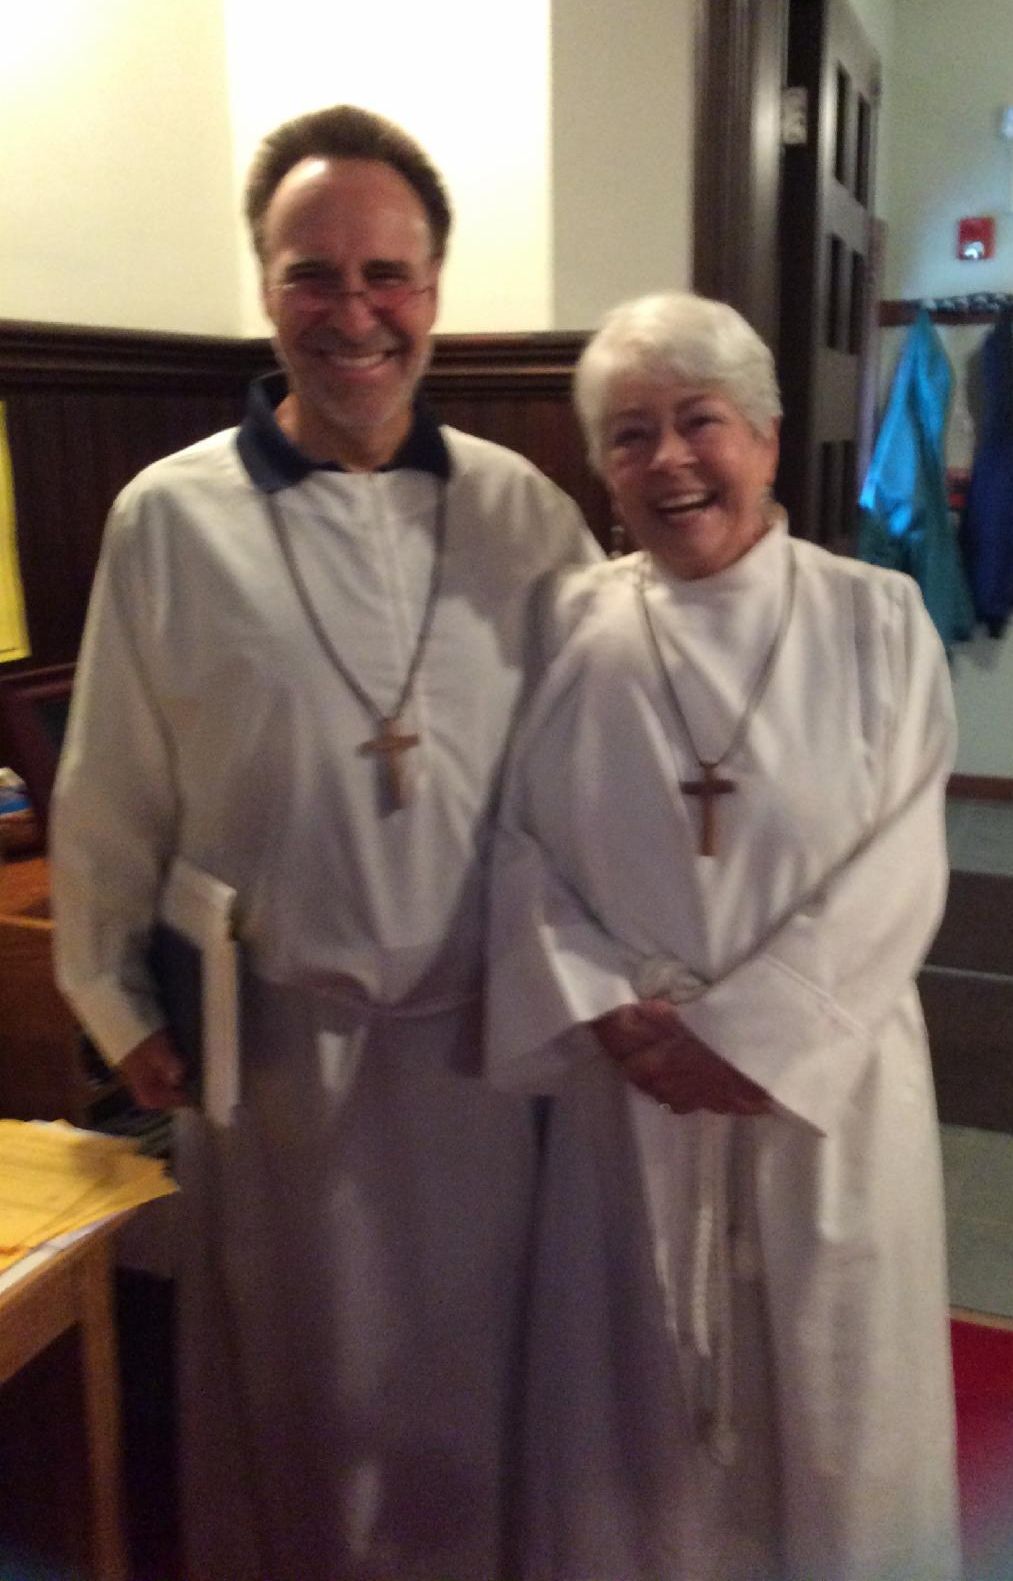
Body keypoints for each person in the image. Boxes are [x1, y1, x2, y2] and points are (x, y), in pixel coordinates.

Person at [51, 104, 597, 1581]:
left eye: (386, 274)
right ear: (265, 286)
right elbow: (111, 787)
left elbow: (596, 779)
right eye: (312, 275)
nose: (353, 314)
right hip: (274, 1060)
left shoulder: (527, 514)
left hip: (486, 1060)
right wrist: (118, 1002)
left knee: (481, 1396)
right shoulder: (169, 519)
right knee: (296, 1406)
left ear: (435, 289)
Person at [487, 291, 961, 1581]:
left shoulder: (877, 619)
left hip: (823, 1096)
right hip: (632, 1084)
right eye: (630, 434)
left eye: (700, 422)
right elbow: (519, 847)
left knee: (837, 1419)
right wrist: (603, 1003)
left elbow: (904, 860)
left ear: (764, 435)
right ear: (601, 469)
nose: (670, 461)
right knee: (629, 1435)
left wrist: (750, 1037)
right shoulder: (568, 624)